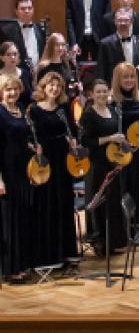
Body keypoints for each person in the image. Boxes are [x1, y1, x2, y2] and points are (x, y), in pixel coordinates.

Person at [28, 70, 79, 271]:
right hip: (45, 162)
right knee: (46, 205)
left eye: (58, 86)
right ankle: (47, 255)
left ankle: (65, 253)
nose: (55, 89)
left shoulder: (62, 108)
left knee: (63, 204)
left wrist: (71, 140)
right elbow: (31, 136)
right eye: (51, 85)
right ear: (43, 86)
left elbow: (70, 131)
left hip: (62, 162)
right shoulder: (34, 110)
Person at [78, 78, 128, 255]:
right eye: (98, 91)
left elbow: (119, 134)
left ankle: (114, 241)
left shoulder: (113, 111)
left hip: (112, 161)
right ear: (91, 94)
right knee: (98, 201)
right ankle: (99, 241)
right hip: (96, 163)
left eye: (104, 91)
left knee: (113, 200)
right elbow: (84, 141)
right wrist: (111, 138)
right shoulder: (88, 114)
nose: (101, 94)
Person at [0, 71, 35, 281]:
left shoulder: (21, 109)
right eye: (7, 89)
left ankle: (22, 263)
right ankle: (10, 269)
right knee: (8, 221)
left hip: (23, 171)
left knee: (21, 218)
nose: (12, 92)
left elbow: (22, 139)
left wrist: (32, 147)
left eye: (15, 89)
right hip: (6, 172)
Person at [112, 62, 139, 225]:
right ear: (117, 79)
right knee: (124, 188)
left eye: (132, 76)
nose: (129, 80)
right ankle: (126, 229)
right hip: (121, 152)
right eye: (125, 77)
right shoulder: (112, 99)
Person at [97, 3, 139, 86]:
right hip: (114, 88)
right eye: (120, 20)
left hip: (136, 88)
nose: (123, 23)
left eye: (126, 20)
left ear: (131, 21)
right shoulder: (105, 44)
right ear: (115, 22)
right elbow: (101, 70)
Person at [0, 0, 46, 73]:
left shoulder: (40, 29)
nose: (27, 11)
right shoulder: (6, 31)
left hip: (38, 74)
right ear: (16, 11)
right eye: (23, 8)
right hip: (16, 75)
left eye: (29, 8)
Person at [0, 42, 33, 107]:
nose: (12, 57)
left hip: (26, 113)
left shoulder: (25, 73)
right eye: (8, 54)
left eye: (15, 54)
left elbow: (31, 94)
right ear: (2, 58)